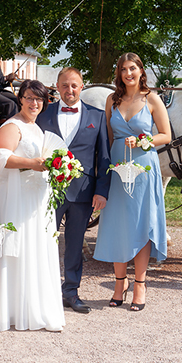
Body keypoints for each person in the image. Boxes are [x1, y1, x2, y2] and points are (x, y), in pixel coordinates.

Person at [0, 79, 66, 331]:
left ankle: (33, 307)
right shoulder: (13, 125)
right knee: (17, 247)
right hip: (17, 199)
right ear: (20, 99)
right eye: (29, 97)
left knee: (36, 247)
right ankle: (9, 309)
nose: (34, 103)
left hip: (37, 198)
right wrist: (32, 164)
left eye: (39, 99)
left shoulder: (37, 129)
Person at [93, 53, 171, 311]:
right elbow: (108, 135)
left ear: (141, 71)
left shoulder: (152, 99)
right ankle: (119, 283)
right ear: (119, 73)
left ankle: (140, 284)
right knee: (117, 224)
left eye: (133, 68)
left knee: (141, 224)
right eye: (124, 69)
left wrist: (143, 141)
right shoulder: (111, 100)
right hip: (117, 167)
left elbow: (166, 136)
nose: (128, 73)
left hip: (144, 168)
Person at [36, 68, 111, 314]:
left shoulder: (97, 117)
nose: (70, 90)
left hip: (83, 193)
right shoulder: (42, 115)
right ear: (57, 86)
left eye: (75, 86)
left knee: (75, 243)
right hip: (47, 191)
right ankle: (44, 291)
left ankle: (71, 292)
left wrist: (102, 191)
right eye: (65, 85)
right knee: (43, 242)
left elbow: (104, 157)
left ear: (82, 87)